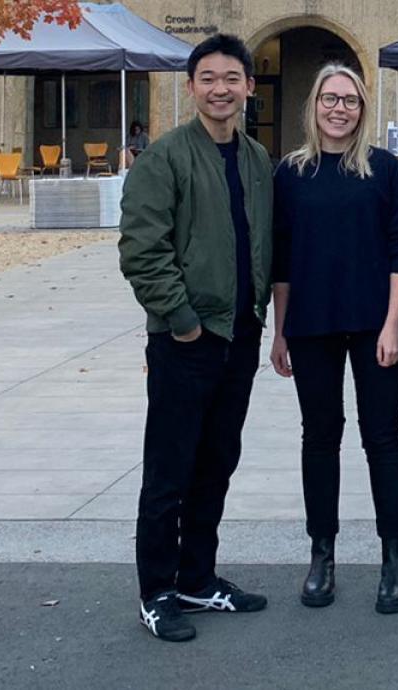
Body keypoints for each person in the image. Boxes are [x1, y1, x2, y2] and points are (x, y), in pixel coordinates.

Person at [117, 33, 274, 643]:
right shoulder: (165, 159)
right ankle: (156, 590)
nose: (220, 89)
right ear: (190, 88)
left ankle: (196, 578)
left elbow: (263, 243)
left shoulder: (257, 160)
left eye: (231, 78)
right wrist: (181, 320)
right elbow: (142, 250)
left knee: (217, 462)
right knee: (170, 468)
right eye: (208, 78)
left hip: (240, 337)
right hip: (187, 340)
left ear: (248, 88)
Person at [268, 64, 398, 614]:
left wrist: (392, 325)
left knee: (383, 438)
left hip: (374, 325)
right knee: (319, 438)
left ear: (362, 108)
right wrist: (280, 331)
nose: (339, 108)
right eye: (329, 98)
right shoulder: (290, 173)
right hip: (310, 326)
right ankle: (321, 554)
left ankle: (394, 556)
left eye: (350, 100)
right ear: (314, 105)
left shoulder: (382, 170)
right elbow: (282, 259)